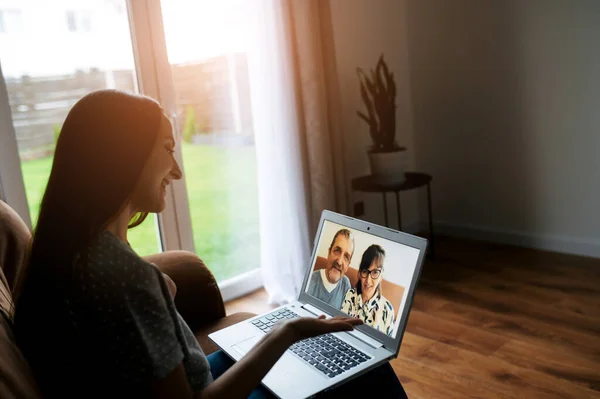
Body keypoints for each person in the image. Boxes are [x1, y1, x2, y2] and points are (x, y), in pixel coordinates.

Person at [14, 90, 407, 399]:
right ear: (124, 158)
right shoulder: (124, 277)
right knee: (370, 370)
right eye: (168, 149)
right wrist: (285, 334)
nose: (178, 171)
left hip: (192, 375)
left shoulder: (70, 247)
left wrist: (156, 294)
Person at [341, 244, 396, 336]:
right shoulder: (349, 295)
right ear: (359, 274)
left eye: (375, 272)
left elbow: (386, 347)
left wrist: (376, 324)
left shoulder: (387, 310)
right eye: (365, 271)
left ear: (381, 276)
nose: (368, 280)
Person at [306, 229, 354, 309]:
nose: (339, 261)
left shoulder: (346, 285)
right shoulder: (310, 281)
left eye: (346, 257)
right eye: (337, 251)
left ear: (348, 265)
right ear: (329, 252)